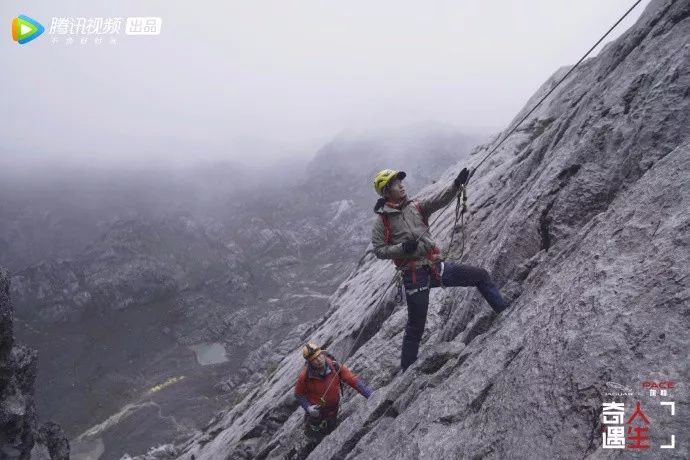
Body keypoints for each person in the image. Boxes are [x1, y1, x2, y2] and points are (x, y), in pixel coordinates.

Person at [371, 168, 510, 371]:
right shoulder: (382, 222)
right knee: (416, 327)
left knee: (481, 275)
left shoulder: (416, 207)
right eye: (395, 184)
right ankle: (406, 372)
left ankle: (505, 313)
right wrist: (402, 249)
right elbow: (380, 250)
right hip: (414, 275)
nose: (401, 185)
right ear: (386, 192)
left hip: (434, 266)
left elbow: (439, 200)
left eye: (400, 181)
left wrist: (456, 185)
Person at [294, 343, 372, 441]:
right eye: (314, 359)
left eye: (319, 356)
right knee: (316, 440)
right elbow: (298, 394)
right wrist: (308, 408)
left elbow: (353, 381)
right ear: (310, 362)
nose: (318, 360)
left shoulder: (334, 366)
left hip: (332, 414)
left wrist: (370, 395)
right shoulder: (304, 377)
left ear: (322, 354)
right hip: (316, 417)